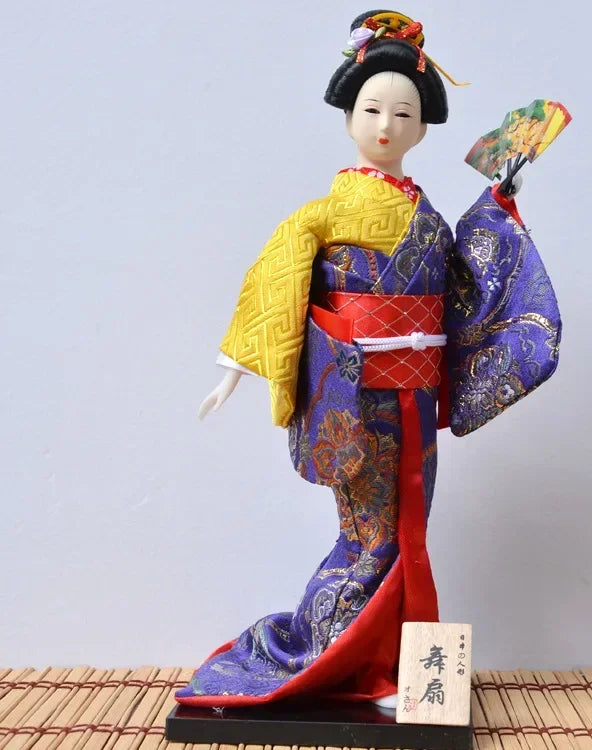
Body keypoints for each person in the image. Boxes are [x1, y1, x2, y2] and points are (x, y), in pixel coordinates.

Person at [176, 10, 561, 709]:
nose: (387, 125)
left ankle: (389, 667)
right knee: (373, 534)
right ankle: (334, 657)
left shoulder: (427, 217)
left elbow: (464, 282)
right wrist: (236, 367)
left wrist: (499, 201)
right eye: (373, 109)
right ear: (350, 117)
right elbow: (275, 284)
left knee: (410, 529)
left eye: (403, 113)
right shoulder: (321, 214)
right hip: (361, 397)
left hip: (415, 392)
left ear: (422, 130)